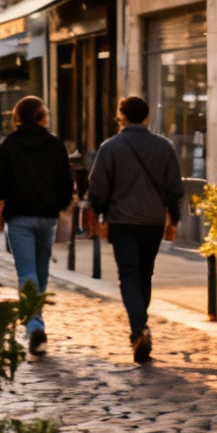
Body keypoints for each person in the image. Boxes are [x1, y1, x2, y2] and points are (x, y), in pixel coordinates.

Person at [84, 96, 182, 363]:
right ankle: (140, 326)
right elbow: (174, 188)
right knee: (144, 274)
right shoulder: (164, 147)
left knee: (128, 276)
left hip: (122, 221)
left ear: (121, 116)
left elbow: (98, 189)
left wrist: (98, 216)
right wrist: (173, 220)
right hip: (152, 221)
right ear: (146, 117)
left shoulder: (110, 147)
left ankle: (139, 329)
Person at [0, 96, 75, 355]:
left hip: (19, 219)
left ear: (17, 117)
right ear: (42, 117)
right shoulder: (55, 144)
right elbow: (66, 182)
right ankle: (36, 320)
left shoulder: (9, 145)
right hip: (47, 217)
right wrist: (59, 205)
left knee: (27, 272)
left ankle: (34, 324)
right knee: (41, 270)